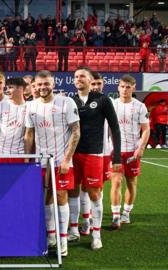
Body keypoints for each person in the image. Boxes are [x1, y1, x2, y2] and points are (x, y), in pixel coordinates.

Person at [24, 70, 80, 257]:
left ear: (53, 84)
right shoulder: (31, 106)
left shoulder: (66, 102)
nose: (42, 87)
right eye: (39, 84)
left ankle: (63, 241)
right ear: (35, 86)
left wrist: (66, 160)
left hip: (61, 161)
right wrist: (27, 160)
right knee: (46, 199)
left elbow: (76, 132)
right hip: (41, 162)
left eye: (46, 84)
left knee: (61, 197)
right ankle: (51, 238)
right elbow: (29, 135)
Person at [68, 67, 121, 250]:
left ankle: (96, 235)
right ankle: (74, 231)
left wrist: (117, 157)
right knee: (73, 191)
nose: (78, 79)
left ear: (90, 80)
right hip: (72, 153)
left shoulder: (103, 100)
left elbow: (115, 128)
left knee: (94, 193)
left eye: (82, 76)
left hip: (94, 153)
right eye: (76, 76)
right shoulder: (69, 101)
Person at [110, 75, 150, 229]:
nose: (125, 89)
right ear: (118, 87)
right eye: (122, 86)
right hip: (116, 151)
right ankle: (115, 216)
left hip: (133, 150)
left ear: (133, 88)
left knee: (131, 183)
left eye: (128, 87)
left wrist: (141, 148)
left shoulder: (140, 106)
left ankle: (126, 213)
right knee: (116, 181)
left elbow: (146, 129)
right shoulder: (112, 105)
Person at [0, 77, 27, 163]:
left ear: (20, 89)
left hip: (19, 155)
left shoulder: (29, 107)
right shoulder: (2, 105)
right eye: (7, 88)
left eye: (11, 87)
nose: (7, 90)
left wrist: (28, 156)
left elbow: (30, 134)